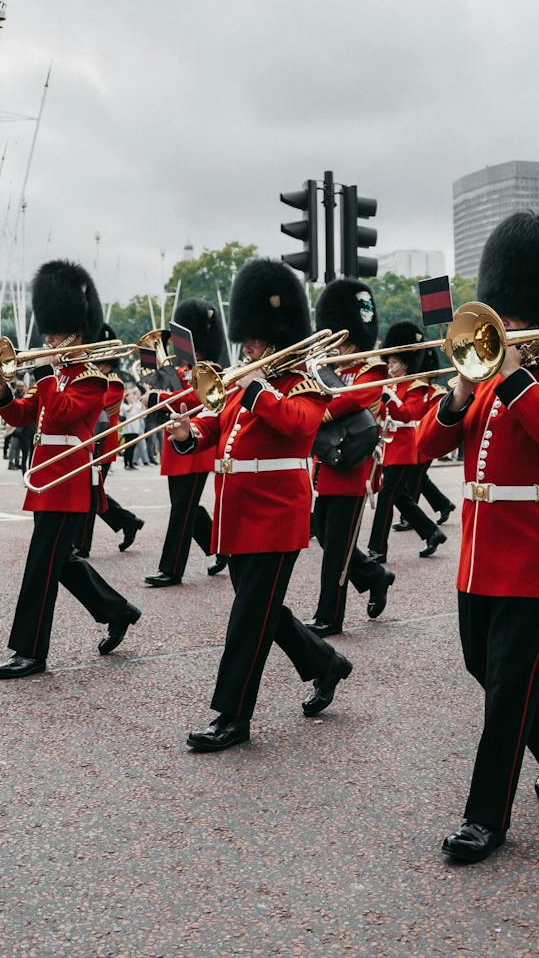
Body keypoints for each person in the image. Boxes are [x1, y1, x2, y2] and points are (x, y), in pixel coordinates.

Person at [411, 212, 539, 865]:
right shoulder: (485, 377)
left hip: (533, 554)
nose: (507, 326)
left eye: (516, 316)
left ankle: (484, 818)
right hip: (479, 550)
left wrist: (514, 373)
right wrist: (459, 392)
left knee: (506, 696)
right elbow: (422, 447)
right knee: (482, 670)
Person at [171, 258, 351, 752]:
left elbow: (298, 425)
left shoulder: (308, 382)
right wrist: (189, 433)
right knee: (262, 612)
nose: (245, 348)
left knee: (248, 619)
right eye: (246, 340)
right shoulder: (243, 381)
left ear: (274, 338)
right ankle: (325, 664)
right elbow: (221, 428)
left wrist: (257, 389)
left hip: (275, 514)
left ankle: (231, 716)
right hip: (238, 514)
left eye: (253, 341)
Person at [0, 263, 140, 676]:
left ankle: (30, 651)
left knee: (41, 565)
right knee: (60, 561)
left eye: (53, 334)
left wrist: (45, 372)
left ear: (73, 334)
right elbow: (25, 416)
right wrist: (2, 393)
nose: (46, 339)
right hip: (45, 480)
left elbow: (60, 416)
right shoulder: (54, 376)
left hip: (67, 480)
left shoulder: (92, 381)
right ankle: (117, 610)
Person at [306, 279, 395, 636]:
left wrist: (318, 411)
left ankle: (330, 615)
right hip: (328, 464)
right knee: (323, 534)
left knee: (337, 552)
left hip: (352, 468)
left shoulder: (371, 370)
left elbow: (354, 399)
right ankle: (375, 575)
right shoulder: (326, 367)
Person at [143, 299, 227, 588]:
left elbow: (194, 399)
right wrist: (154, 389)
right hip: (175, 442)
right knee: (185, 507)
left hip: (197, 444)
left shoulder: (210, 370)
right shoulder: (180, 370)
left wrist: (159, 399)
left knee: (181, 510)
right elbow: (172, 395)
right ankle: (219, 547)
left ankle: (171, 569)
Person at [369, 324, 446, 563]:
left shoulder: (415, 386)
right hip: (389, 447)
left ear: (405, 363)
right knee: (400, 497)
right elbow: (381, 413)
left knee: (386, 498)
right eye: (389, 361)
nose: (390, 366)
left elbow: (406, 414)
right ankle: (432, 532)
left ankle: (377, 549)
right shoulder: (391, 384)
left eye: (394, 362)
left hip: (404, 447)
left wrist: (387, 396)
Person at [75, 323, 146, 555]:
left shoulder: (112, 382)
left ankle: (81, 546)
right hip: (88, 444)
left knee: (89, 495)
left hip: (102, 446)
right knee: (93, 493)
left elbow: (94, 409)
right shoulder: (90, 376)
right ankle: (127, 521)